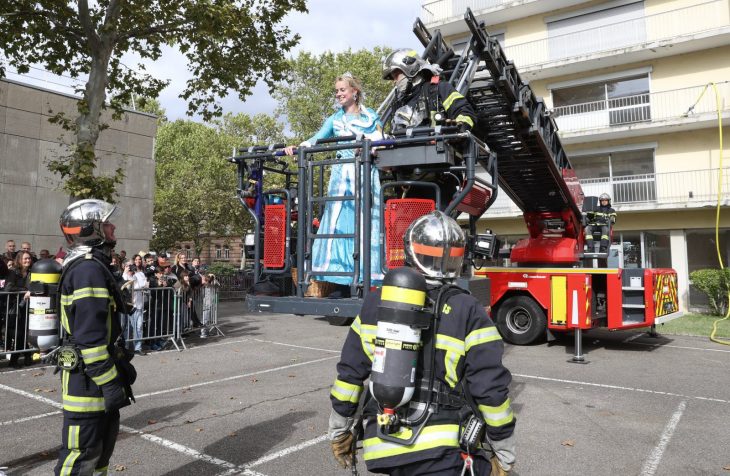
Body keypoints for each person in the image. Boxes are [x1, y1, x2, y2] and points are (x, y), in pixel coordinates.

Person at [327, 211, 516, 475]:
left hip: (383, 446)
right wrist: (504, 452)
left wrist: (340, 431)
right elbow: (491, 389)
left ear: (410, 250)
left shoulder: (375, 302)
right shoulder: (467, 309)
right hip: (444, 452)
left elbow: (349, 376)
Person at [54, 199, 136, 476]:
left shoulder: (93, 266)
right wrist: (111, 382)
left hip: (95, 380)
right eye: (106, 223)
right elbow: (90, 340)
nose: (113, 227)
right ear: (92, 230)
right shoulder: (87, 270)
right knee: (80, 460)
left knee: (99, 457)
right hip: (88, 384)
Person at [284, 73, 384, 296]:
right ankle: (341, 278)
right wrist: (297, 147)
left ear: (354, 92)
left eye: (342, 90)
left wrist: (370, 146)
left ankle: (366, 275)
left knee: (365, 221)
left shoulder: (371, 116)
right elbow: (315, 139)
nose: (338, 94)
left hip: (364, 173)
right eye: (336, 91)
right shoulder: (334, 119)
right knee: (340, 222)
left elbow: (381, 138)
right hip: (342, 176)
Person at [381, 49, 477, 208]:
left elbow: (466, 112)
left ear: (409, 69)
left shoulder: (439, 89)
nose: (394, 82)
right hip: (406, 184)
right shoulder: (399, 104)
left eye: (395, 75)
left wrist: (456, 127)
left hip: (439, 183)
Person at [5, 250, 34, 368]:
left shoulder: (31, 272)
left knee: (22, 333)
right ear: (19, 260)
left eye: (29, 258)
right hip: (14, 307)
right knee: (18, 333)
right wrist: (24, 291)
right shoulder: (13, 273)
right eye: (25, 259)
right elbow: (8, 288)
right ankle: (22, 357)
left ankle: (22, 358)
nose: (28, 260)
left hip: (25, 306)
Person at [123, 255, 148, 356]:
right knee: (128, 328)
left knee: (139, 327)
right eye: (129, 266)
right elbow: (126, 285)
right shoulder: (124, 275)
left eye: (131, 265)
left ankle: (138, 347)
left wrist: (135, 274)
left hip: (139, 304)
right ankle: (126, 347)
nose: (131, 267)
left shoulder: (140, 274)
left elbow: (144, 285)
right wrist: (126, 272)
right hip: (129, 306)